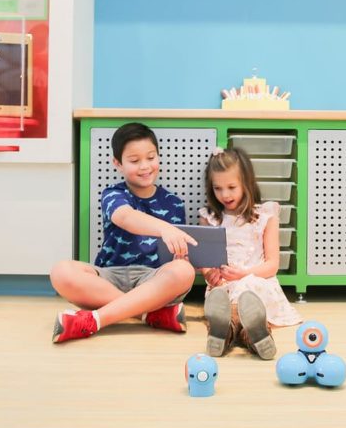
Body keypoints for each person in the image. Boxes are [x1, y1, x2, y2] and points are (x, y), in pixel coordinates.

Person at [49, 123, 197, 343]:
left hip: (152, 280)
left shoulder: (174, 203)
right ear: (117, 163)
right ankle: (147, 314)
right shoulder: (113, 194)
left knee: (184, 271)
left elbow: (177, 257)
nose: (145, 166)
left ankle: (95, 319)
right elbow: (125, 217)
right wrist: (165, 228)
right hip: (110, 277)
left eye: (150, 157)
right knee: (61, 272)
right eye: (135, 161)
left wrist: (181, 255)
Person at [198, 147, 303, 360]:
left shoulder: (264, 215)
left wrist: (243, 274)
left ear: (247, 182)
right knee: (224, 300)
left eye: (231, 187)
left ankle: (228, 332)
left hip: (257, 281)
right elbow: (204, 260)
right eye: (217, 188)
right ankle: (252, 336)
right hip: (223, 286)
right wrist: (209, 273)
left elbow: (272, 265)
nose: (224, 195)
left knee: (249, 298)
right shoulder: (209, 217)